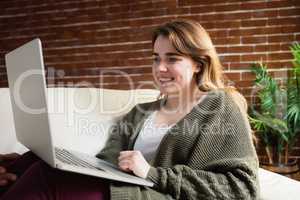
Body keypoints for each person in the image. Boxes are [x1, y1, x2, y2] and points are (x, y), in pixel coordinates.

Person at [0, 19, 260, 199]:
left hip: (158, 195)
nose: (160, 68)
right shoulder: (140, 111)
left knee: (45, 177)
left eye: (173, 59)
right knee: (32, 162)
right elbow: (107, 162)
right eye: (156, 58)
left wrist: (152, 173)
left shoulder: (219, 107)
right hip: (122, 187)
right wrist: (52, 161)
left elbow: (243, 188)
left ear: (199, 65)